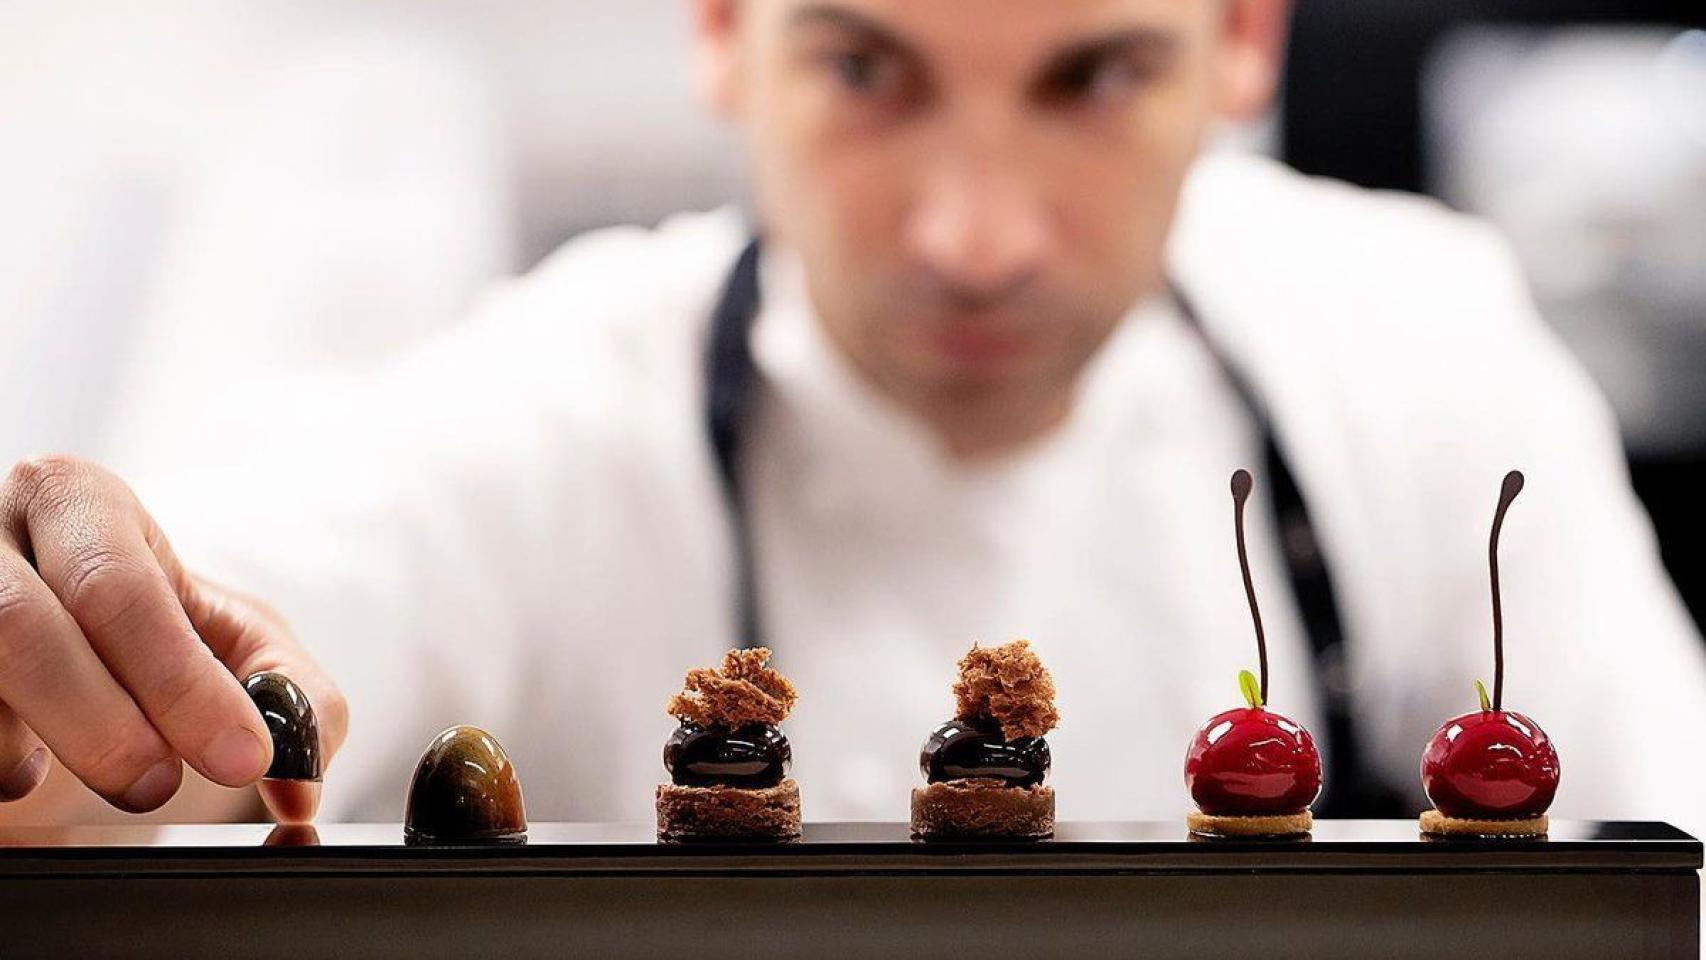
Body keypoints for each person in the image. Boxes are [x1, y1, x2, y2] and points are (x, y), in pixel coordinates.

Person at [1, 0, 1702, 832]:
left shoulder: (1418, 345)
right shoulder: (548, 412)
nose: (973, 236)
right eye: (868, 72)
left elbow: (1666, 864)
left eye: (1092, 76)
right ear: (727, 36)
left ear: (1241, 40)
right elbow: (207, 655)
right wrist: (75, 661)